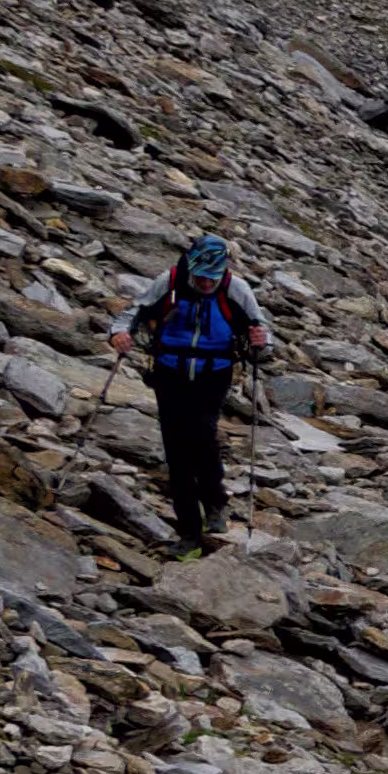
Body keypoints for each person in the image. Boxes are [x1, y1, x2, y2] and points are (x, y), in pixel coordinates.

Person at [114, 229, 268, 551]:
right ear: (191, 266)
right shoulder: (169, 282)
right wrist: (118, 333)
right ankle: (189, 534)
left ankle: (214, 502)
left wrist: (261, 343)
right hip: (169, 372)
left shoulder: (236, 288)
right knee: (176, 451)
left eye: (213, 276)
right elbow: (133, 312)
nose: (207, 283)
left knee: (202, 435)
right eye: (201, 276)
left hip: (214, 374)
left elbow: (261, 331)